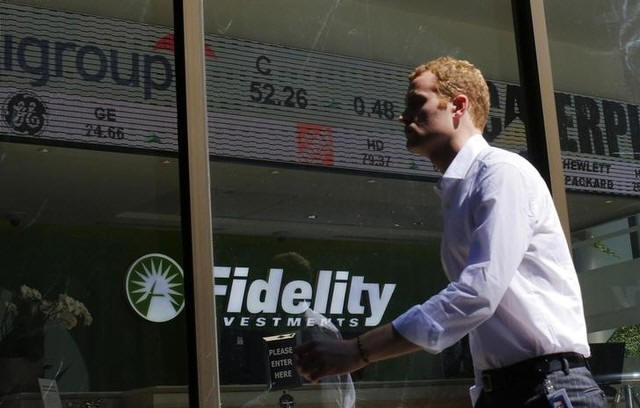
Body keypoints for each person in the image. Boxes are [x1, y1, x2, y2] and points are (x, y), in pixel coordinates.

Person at [294, 56, 607, 407]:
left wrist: (358, 350)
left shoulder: (501, 173)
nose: (403, 117)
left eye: (417, 103)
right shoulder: (464, 189)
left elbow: (477, 292)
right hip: (516, 389)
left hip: (547, 388)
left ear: (458, 106)